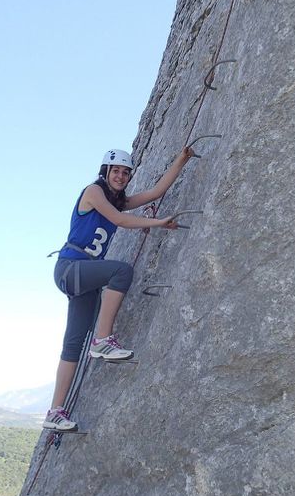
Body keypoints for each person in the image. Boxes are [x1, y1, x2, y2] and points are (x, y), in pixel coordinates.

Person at [43, 146, 194, 431]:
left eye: (126, 173)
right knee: (121, 271)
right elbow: (121, 221)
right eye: (116, 171)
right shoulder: (94, 193)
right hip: (71, 268)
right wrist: (158, 222)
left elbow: (155, 192)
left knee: (73, 344)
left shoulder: (116, 200)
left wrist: (181, 159)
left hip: (81, 276)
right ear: (105, 172)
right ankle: (103, 340)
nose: (121, 176)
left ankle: (54, 412)